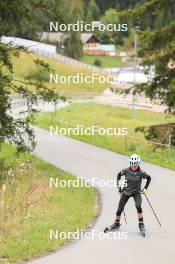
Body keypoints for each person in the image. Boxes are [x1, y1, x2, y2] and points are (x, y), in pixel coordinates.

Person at [110, 154, 151, 231]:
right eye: (132, 165)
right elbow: (119, 174)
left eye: (135, 166)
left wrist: (145, 188)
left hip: (137, 192)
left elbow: (149, 178)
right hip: (126, 191)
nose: (133, 167)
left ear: (138, 164)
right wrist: (118, 186)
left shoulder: (142, 172)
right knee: (119, 209)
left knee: (138, 206)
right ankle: (116, 223)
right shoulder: (126, 170)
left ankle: (141, 224)